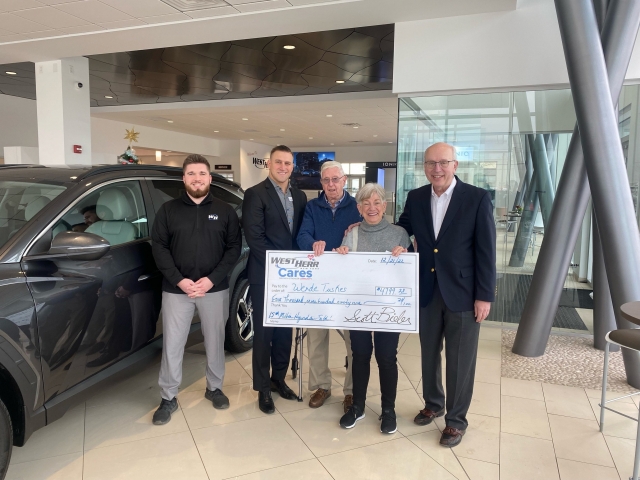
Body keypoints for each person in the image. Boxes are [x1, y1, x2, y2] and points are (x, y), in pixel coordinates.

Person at [397, 142, 495, 447]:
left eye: (442, 163)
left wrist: (485, 295)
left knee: (459, 360)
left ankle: (456, 420)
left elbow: (486, 251)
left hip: (464, 294)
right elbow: (403, 228)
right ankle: (434, 403)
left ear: (455, 165)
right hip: (428, 290)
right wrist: (368, 225)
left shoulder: (476, 198)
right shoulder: (415, 197)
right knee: (428, 354)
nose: (436, 169)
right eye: (430, 163)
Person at [151, 154, 242, 425]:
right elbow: (160, 247)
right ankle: (168, 397)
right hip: (176, 289)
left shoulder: (225, 211)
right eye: (191, 174)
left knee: (214, 341)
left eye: (202, 174)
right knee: (172, 344)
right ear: (184, 178)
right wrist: (179, 280)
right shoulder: (168, 211)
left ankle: (214, 388)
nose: (197, 179)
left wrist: (211, 279)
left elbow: (233, 249)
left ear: (210, 179)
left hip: (214, 289)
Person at [336, 182, 410, 434]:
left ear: (384, 206)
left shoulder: (399, 234)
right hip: (358, 307)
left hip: (389, 309)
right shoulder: (352, 233)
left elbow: (408, 273)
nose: (372, 207)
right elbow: (344, 271)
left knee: (387, 357)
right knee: (359, 355)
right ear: (358, 208)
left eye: (376, 202)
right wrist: (341, 253)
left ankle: (388, 410)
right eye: (366, 203)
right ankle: (357, 406)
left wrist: (406, 253)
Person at [242, 145, 308, 414]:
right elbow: (255, 238)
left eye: (288, 163)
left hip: (291, 278)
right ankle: (263, 388)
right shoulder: (255, 194)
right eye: (278, 162)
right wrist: (281, 264)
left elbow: (301, 234)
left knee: (284, 332)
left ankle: (278, 378)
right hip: (265, 275)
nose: (283, 167)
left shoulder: (300, 195)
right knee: (265, 333)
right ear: (269, 164)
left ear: (293, 166)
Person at [297, 161, 362, 412]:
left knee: (353, 341)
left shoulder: (357, 206)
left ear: (344, 180)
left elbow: (366, 235)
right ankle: (321, 385)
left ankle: (351, 391)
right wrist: (313, 243)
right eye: (326, 180)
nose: (331, 185)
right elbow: (302, 235)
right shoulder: (313, 206)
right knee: (316, 337)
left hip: (349, 285)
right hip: (319, 284)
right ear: (321, 183)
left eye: (336, 179)